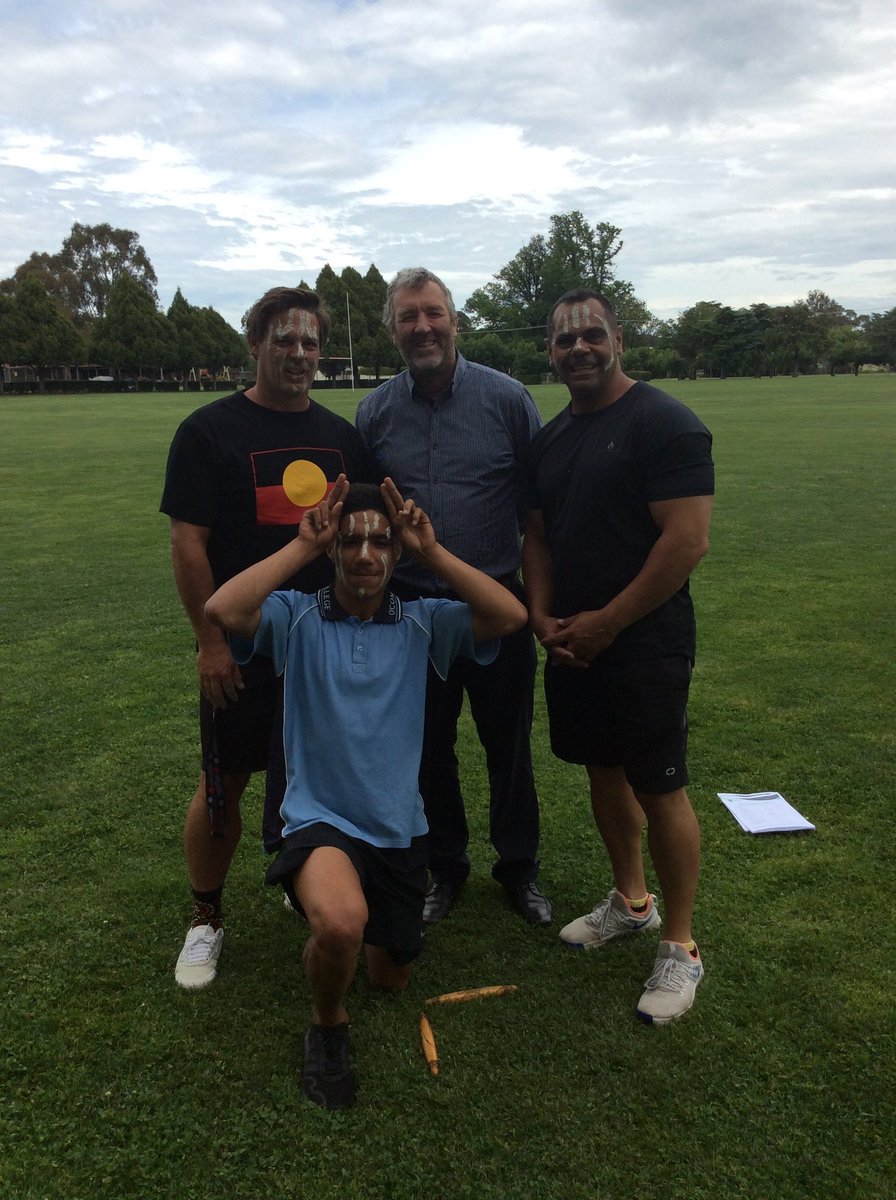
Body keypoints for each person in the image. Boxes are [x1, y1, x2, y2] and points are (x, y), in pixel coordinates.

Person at [204, 478, 527, 1108]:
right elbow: (224, 609)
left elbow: (510, 617)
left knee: (391, 979)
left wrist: (431, 551)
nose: (365, 555)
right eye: (351, 542)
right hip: (318, 816)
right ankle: (328, 1025)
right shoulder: (295, 617)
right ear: (335, 550)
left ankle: (341, 939)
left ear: (395, 553)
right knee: (343, 925)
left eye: (380, 543)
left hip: (397, 827)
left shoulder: (425, 623)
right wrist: (303, 547)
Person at [160, 286, 370, 991]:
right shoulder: (208, 431)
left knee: (316, 776)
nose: (299, 353)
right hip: (243, 648)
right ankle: (206, 917)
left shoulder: (344, 437)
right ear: (255, 345)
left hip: (323, 648)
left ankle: (299, 879)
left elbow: (358, 541)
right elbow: (189, 544)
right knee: (225, 780)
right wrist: (209, 641)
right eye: (284, 339)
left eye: (310, 342)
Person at [523, 289, 714, 1024]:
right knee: (602, 770)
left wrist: (608, 623)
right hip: (574, 640)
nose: (578, 348)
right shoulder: (550, 439)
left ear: (618, 339)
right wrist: (543, 615)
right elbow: (537, 536)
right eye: (565, 339)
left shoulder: (664, 423)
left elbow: (687, 541)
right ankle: (632, 902)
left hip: (645, 642)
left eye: (591, 335)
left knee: (660, 784)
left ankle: (680, 944)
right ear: (551, 351)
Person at [355, 268, 552, 926]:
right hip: (411, 613)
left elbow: (536, 513)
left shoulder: (507, 400)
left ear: (454, 320)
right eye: (408, 317)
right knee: (428, 750)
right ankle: (446, 866)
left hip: (496, 605)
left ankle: (519, 868)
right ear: (392, 331)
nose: (423, 327)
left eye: (433, 313)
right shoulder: (376, 411)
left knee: (509, 746)